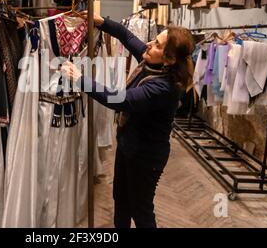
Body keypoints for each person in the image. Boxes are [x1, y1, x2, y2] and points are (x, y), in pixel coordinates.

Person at [61, 12, 195, 228]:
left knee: (141, 210)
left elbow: (120, 100)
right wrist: (101, 21)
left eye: (157, 45)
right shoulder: (154, 61)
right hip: (129, 146)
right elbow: (126, 36)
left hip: (146, 156)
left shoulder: (165, 87)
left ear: (169, 59)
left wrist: (79, 79)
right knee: (121, 201)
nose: (149, 45)